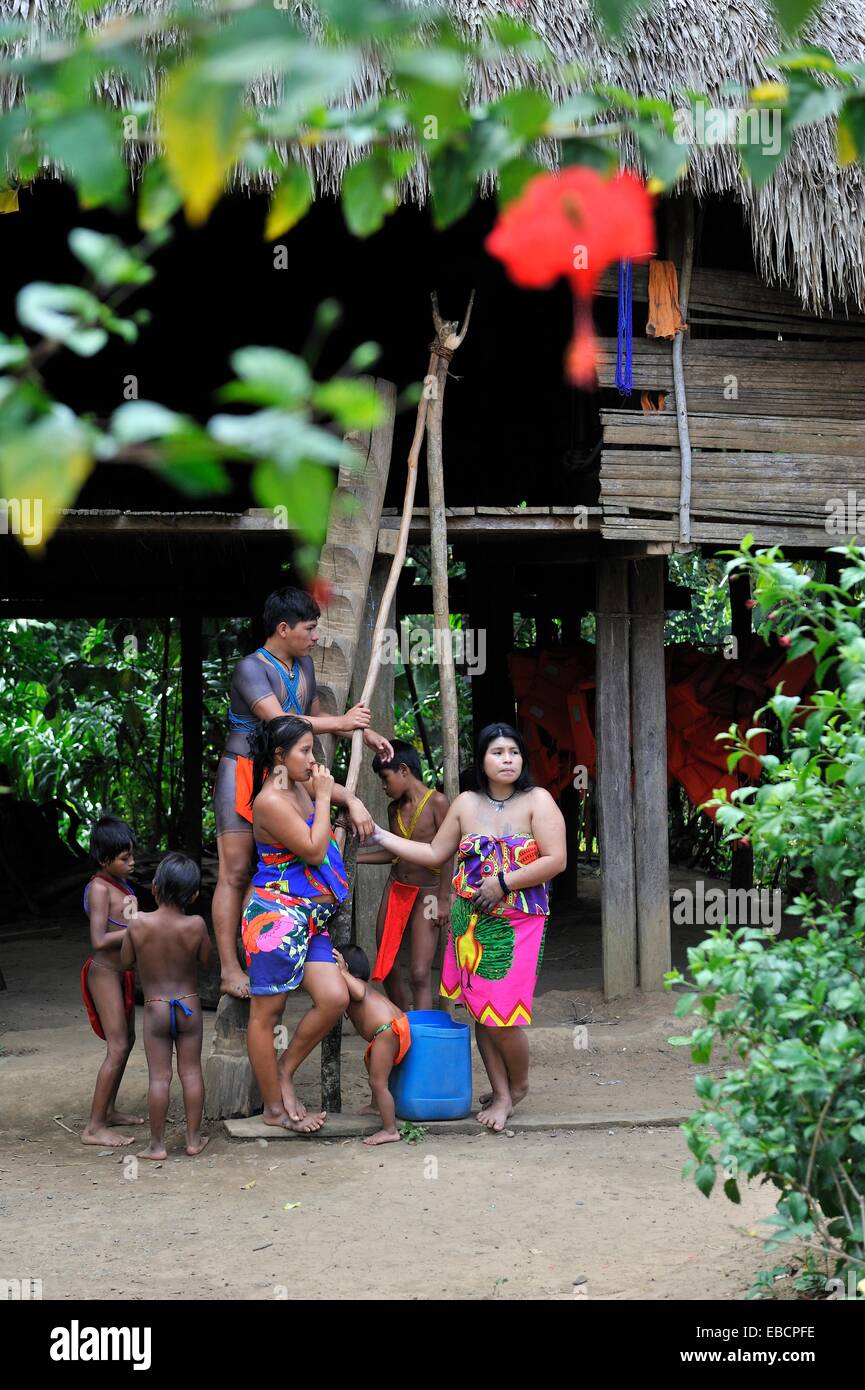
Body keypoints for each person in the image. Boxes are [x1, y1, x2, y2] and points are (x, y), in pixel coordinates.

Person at [366, 722, 566, 1134]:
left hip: (518, 924)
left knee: (503, 1016)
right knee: (480, 1011)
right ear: (482, 760)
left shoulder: (538, 801)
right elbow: (434, 852)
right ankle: (502, 1093)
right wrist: (381, 835)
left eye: (513, 751)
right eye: (497, 752)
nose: (507, 759)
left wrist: (505, 882)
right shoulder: (465, 804)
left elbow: (556, 859)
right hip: (469, 922)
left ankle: (521, 1083)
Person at [213, 585, 393, 999]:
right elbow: (279, 721)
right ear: (283, 628)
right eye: (310, 629)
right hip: (242, 769)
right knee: (236, 871)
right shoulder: (251, 668)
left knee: (281, 864)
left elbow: (313, 717)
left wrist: (362, 731)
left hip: (288, 775)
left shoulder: (304, 665)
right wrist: (344, 723)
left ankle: (273, 952)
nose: (316, 637)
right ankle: (227, 967)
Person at [242, 715, 362, 1133]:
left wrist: (353, 801)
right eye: (306, 751)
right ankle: (273, 1109)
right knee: (266, 1014)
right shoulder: (271, 801)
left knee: (334, 998)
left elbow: (329, 798)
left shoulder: (297, 783)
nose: (314, 761)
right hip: (276, 919)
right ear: (279, 756)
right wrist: (328, 797)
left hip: (311, 919)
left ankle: (284, 1071)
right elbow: (313, 850)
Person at [120, 853, 211, 1160]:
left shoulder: (138, 923)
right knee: (191, 1073)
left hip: (156, 1006)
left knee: (159, 1077)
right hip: (188, 1005)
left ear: (155, 887)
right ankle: (193, 1140)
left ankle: (157, 1146)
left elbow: (124, 961)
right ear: (194, 894)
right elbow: (206, 959)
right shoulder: (196, 925)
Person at [356, 740, 451, 1011]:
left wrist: (444, 898)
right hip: (396, 887)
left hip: (428, 893)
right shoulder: (393, 809)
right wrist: (355, 858)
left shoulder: (438, 803)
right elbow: (394, 853)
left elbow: (448, 854)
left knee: (420, 973)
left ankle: (420, 1035)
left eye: (385, 779)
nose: (384, 787)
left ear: (404, 770)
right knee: (387, 964)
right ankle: (402, 1021)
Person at [80, 815, 143, 1147]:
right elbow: (99, 939)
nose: (132, 862)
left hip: (124, 973)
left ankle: (110, 1109)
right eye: (124, 858)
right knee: (117, 1046)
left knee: (127, 1041)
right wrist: (138, 930)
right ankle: (93, 1127)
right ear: (104, 860)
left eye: (132, 855)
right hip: (105, 973)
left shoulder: (122, 885)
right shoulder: (100, 888)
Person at [334, 946, 410, 1148]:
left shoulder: (356, 984)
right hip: (389, 1029)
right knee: (371, 1065)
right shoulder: (356, 985)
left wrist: (341, 972)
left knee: (378, 1082)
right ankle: (377, 1106)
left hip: (386, 1031)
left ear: (346, 967)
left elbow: (358, 993)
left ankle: (390, 1130)